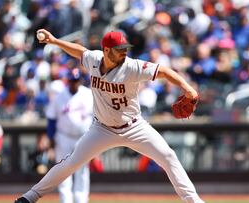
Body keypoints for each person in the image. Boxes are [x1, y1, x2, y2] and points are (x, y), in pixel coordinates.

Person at [14, 29, 204, 203]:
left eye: (124, 48)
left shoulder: (132, 66)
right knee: (70, 163)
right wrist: (55, 41)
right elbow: (80, 51)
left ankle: (194, 201)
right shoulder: (94, 60)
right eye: (119, 49)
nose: (124, 52)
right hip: (102, 129)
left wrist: (187, 87)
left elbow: (163, 71)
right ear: (106, 50)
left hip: (134, 127)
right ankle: (29, 197)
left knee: (168, 156)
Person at [46, 67, 93, 203]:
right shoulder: (59, 97)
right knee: (63, 170)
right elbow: (51, 119)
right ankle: (65, 201)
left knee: (82, 171)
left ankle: (81, 200)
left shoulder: (88, 94)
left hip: (83, 137)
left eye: (76, 80)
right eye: (72, 80)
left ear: (80, 81)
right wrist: (51, 139)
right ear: (68, 81)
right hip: (64, 137)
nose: (74, 83)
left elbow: (97, 117)